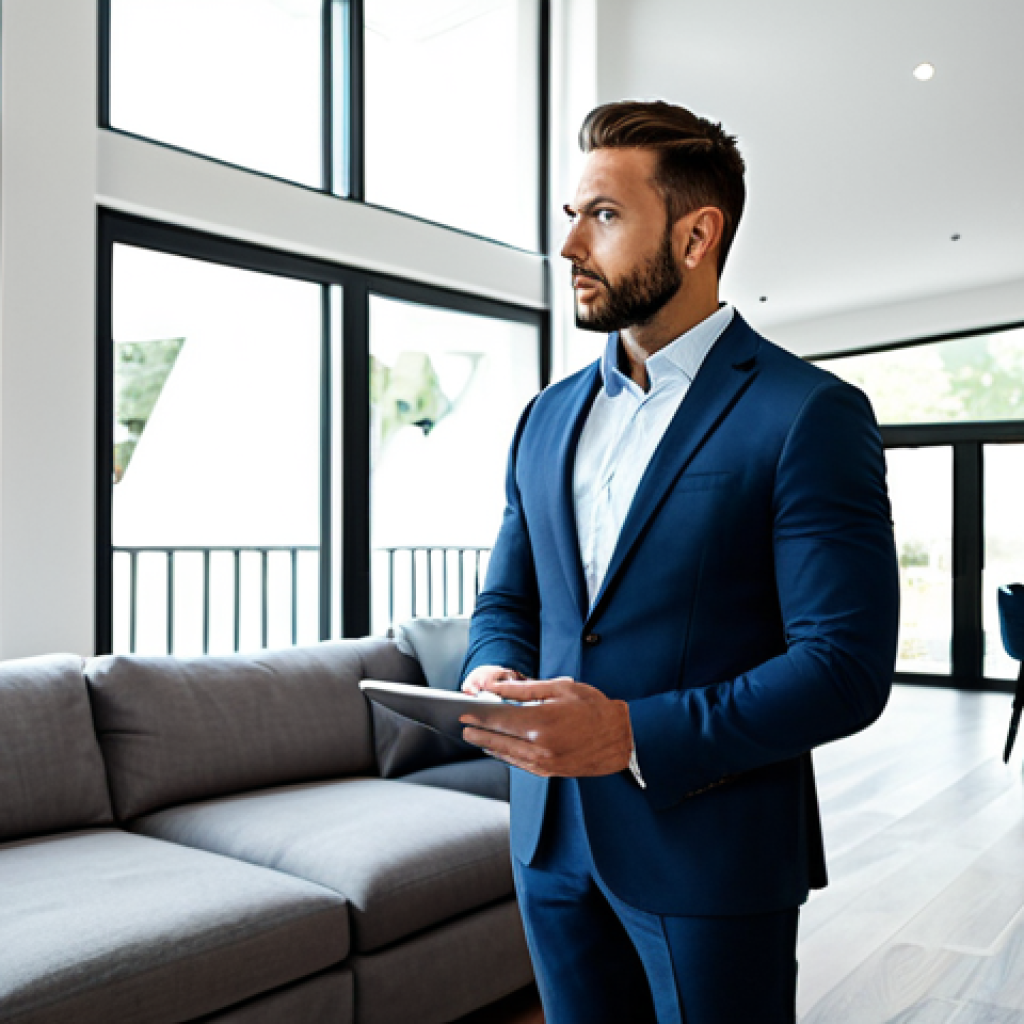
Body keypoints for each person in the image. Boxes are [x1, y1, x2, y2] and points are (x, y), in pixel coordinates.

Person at [458, 100, 900, 1024]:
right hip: (548, 840)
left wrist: (627, 734)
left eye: (605, 216)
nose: (571, 245)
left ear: (698, 234)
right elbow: (510, 596)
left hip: (711, 850)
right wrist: (487, 669)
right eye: (572, 215)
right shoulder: (544, 417)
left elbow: (844, 669)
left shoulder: (807, 413)